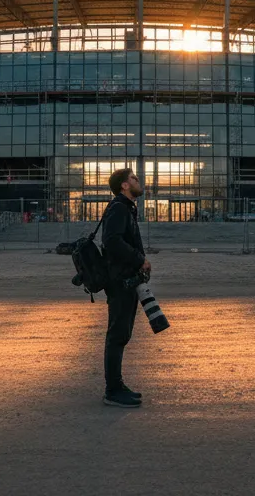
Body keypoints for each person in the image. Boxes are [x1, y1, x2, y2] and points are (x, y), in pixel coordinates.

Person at [99, 167, 150, 408]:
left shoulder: (126, 208)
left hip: (126, 280)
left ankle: (117, 385)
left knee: (121, 334)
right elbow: (111, 241)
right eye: (134, 178)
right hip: (120, 282)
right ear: (124, 186)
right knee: (117, 334)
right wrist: (139, 259)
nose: (139, 181)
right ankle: (112, 390)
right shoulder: (119, 208)